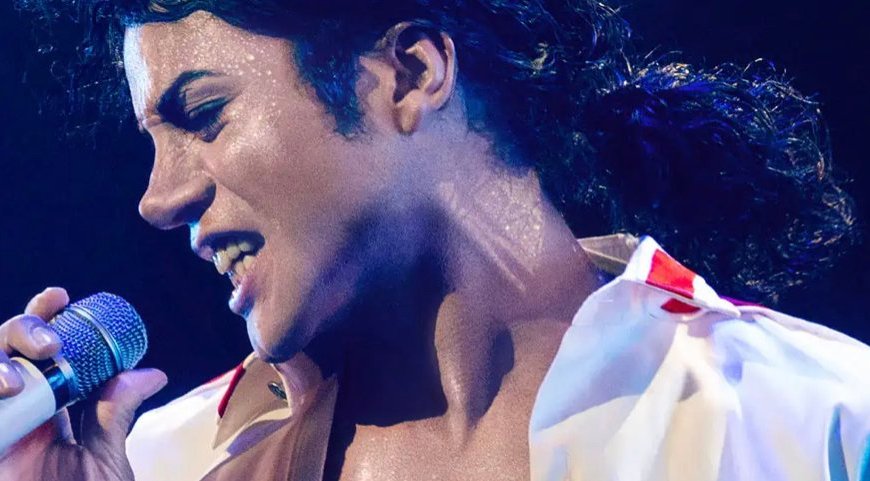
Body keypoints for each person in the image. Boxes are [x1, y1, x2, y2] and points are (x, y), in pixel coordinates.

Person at [1, 1, 866, 480]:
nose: (159, 199)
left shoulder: (812, 417)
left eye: (203, 113)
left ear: (411, 74)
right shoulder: (162, 462)